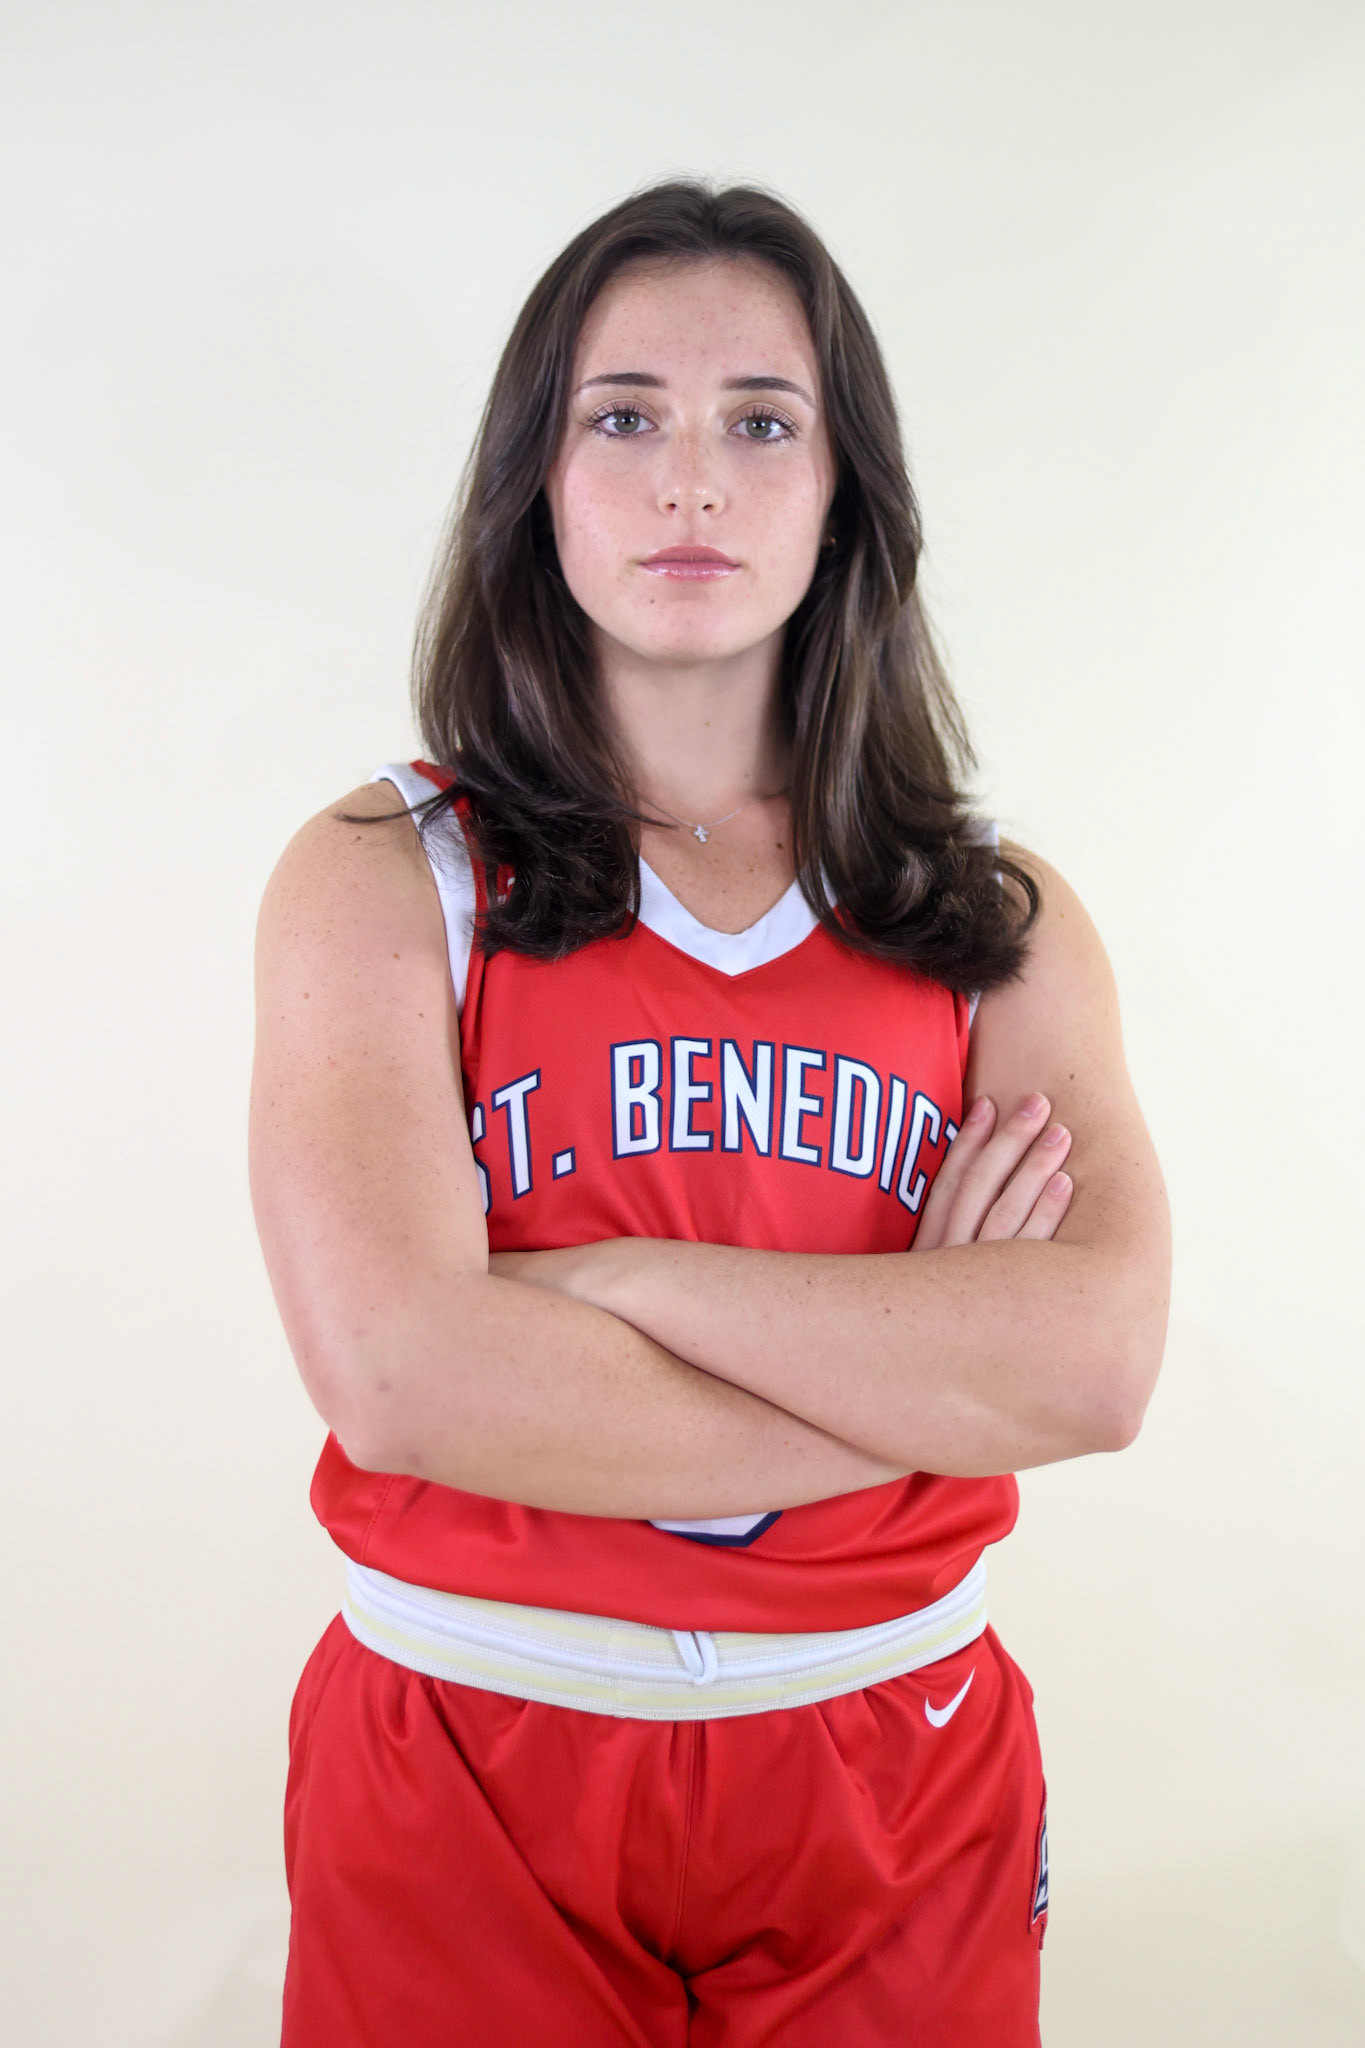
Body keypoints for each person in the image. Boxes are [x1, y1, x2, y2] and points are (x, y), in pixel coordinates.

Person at [249, 178, 1170, 2047]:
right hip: (468, 1741)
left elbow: (1090, 1368)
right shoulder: (382, 874)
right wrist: (916, 1359)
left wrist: (606, 1283)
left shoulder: (994, 915)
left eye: (762, 420)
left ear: (845, 496)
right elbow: (405, 1379)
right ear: (538, 481)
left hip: (889, 1749)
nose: (691, 480)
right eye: (623, 418)